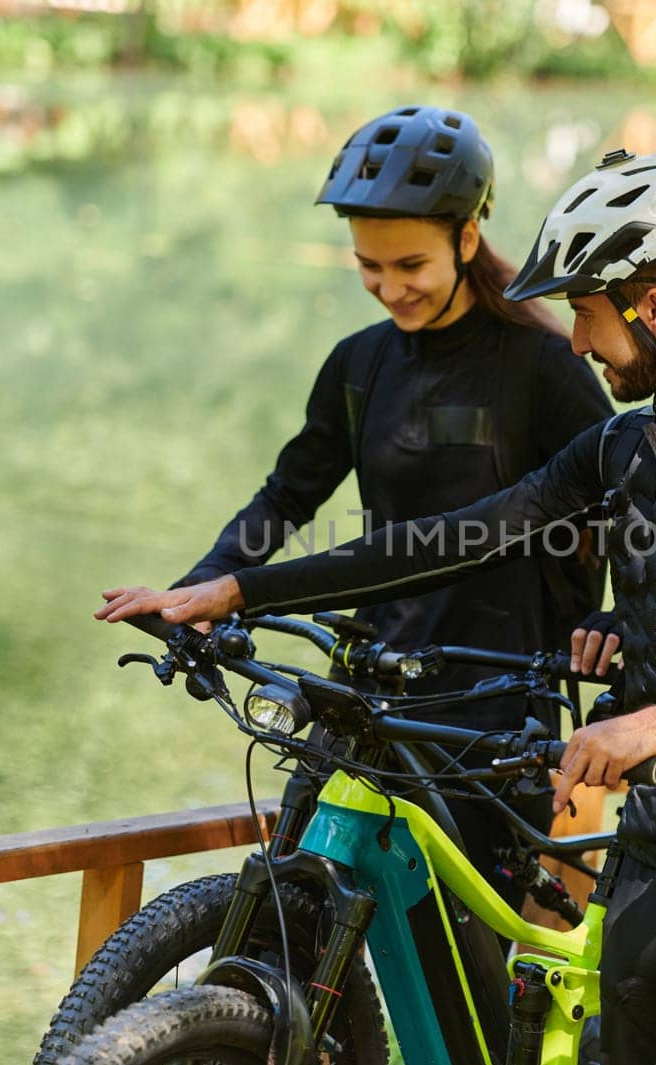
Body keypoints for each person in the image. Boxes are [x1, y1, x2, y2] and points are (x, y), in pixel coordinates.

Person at [100, 144, 656, 1062]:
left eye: (587, 314)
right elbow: (448, 537)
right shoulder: (626, 447)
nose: (577, 341)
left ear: (655, 307)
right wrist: (237, 585)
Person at [113, 105, 614, 909]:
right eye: (368, 266)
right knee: (296, 909)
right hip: (369, 687)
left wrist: (624, 629)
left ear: (468, 236)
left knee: (465, 947)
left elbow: (626, 505)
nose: (389, 288)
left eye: (409, 263)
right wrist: (201, 586)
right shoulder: (360, 364)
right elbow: (289, 493)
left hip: (492, 705)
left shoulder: (542, 365)